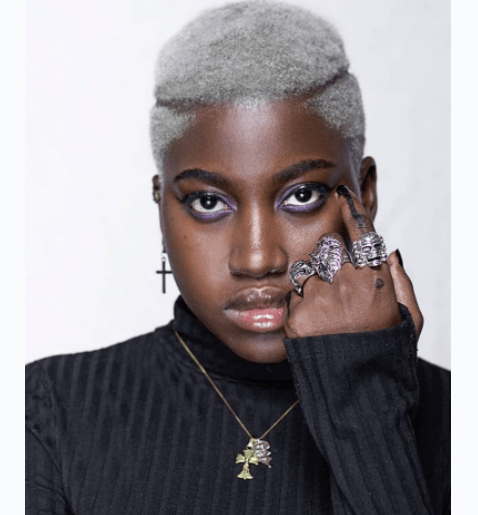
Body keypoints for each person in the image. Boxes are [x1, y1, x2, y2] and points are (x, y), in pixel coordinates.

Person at [25, 2, 450, 514]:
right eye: (208, 202)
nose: (256, 258)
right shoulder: (46, 411)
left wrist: (366, 402)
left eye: (302, 196)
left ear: (366, 194)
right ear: (161, 206)